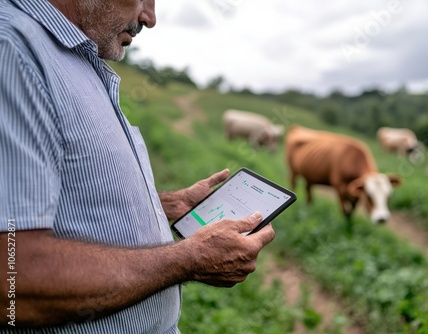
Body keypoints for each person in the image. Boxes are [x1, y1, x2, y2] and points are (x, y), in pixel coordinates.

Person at [0, 0, 275, 332]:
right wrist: (190, 259)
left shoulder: (75, 57)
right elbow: (12, 282)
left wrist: (167, 205)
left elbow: (64, 198)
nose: (150, 17)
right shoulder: (13, 50)